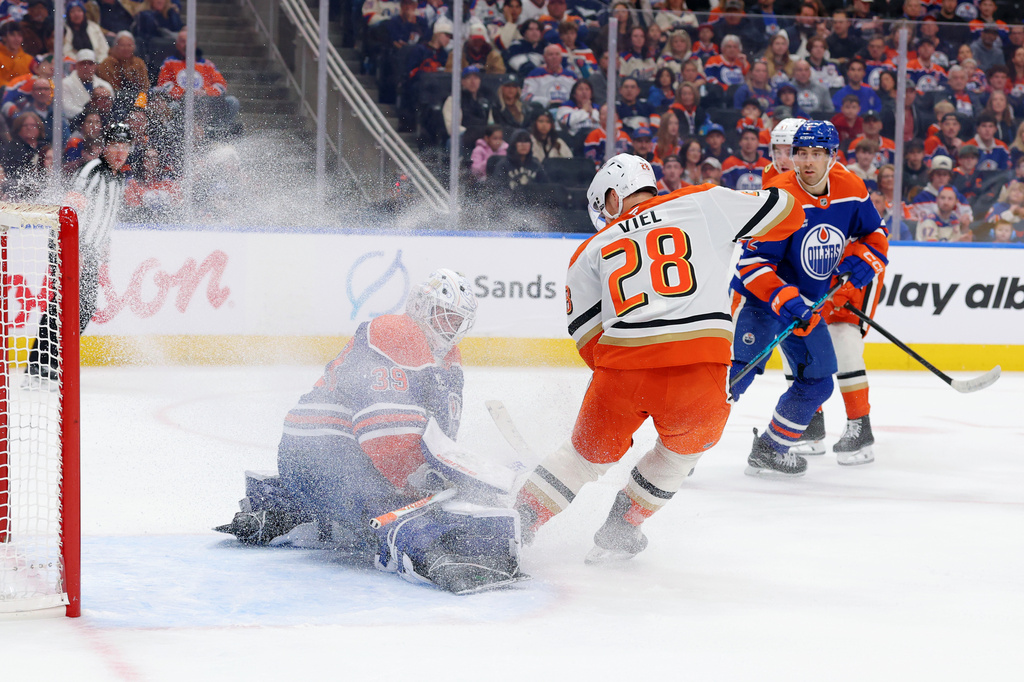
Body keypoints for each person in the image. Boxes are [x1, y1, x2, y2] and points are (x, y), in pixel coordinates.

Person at [513, 153, 807, 563]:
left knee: (579, 460)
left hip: (622, 372)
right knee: (680, 454)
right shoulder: (703, 201)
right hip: (700, 370)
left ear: (614, 197)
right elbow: (789, 213)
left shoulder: (589, 249)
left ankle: (514, 526)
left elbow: (588, 340)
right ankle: (623, 525)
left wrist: (613, 390)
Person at [216, 270, 527, 594]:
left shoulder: (448, 359)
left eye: (456, 320)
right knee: (387, 508)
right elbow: (383, 438)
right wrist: (425, 478)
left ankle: (283, 508)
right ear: (422, 307)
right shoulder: (397, 332)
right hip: (320, 451)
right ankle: (437, 556)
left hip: (338, 456)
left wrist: (459, 476)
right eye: (443, 316)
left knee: (377, 507)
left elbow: (438, 437)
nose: (449, 328)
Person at [730, 120, 889, 473]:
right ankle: (681, 447)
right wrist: (786, 300)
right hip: (761, 299)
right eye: (800, 153)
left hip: (806, 306)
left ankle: (770, 449)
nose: (806, 161)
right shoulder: (779, 196)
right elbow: (753, 264)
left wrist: (864, 260)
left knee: (818, 382)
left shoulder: (851, 188)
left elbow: (875, 235)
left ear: (833, 157)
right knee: (736, 373)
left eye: (817, 153)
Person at [26, 122, 132, 384]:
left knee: (82, 309)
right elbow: (71, 209)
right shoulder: (92, 170)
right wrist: (77, 249)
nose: (120, 152)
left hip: (88, 251)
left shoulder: (118, 178)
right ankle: (41, 365)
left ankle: (49, 361)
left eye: (125, 147)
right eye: (115, 146)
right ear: (104, 147)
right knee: (65, 305)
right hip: (71, 247)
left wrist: (102, 246)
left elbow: (105, 216)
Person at [63, 50, 113, 120]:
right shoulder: (64, 84)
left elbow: (111, 107)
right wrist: (90, 115)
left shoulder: (105, 85)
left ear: (95, 66)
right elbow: (66, 108)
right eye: (83, 64)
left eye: (90, 64)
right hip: (74, 124)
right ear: (76, 65)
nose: (86, 67)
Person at [0, 21, 33, 88]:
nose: (17, 39)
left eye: (19, 35)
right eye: (12, 35)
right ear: (4, 37)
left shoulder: (29, 59)